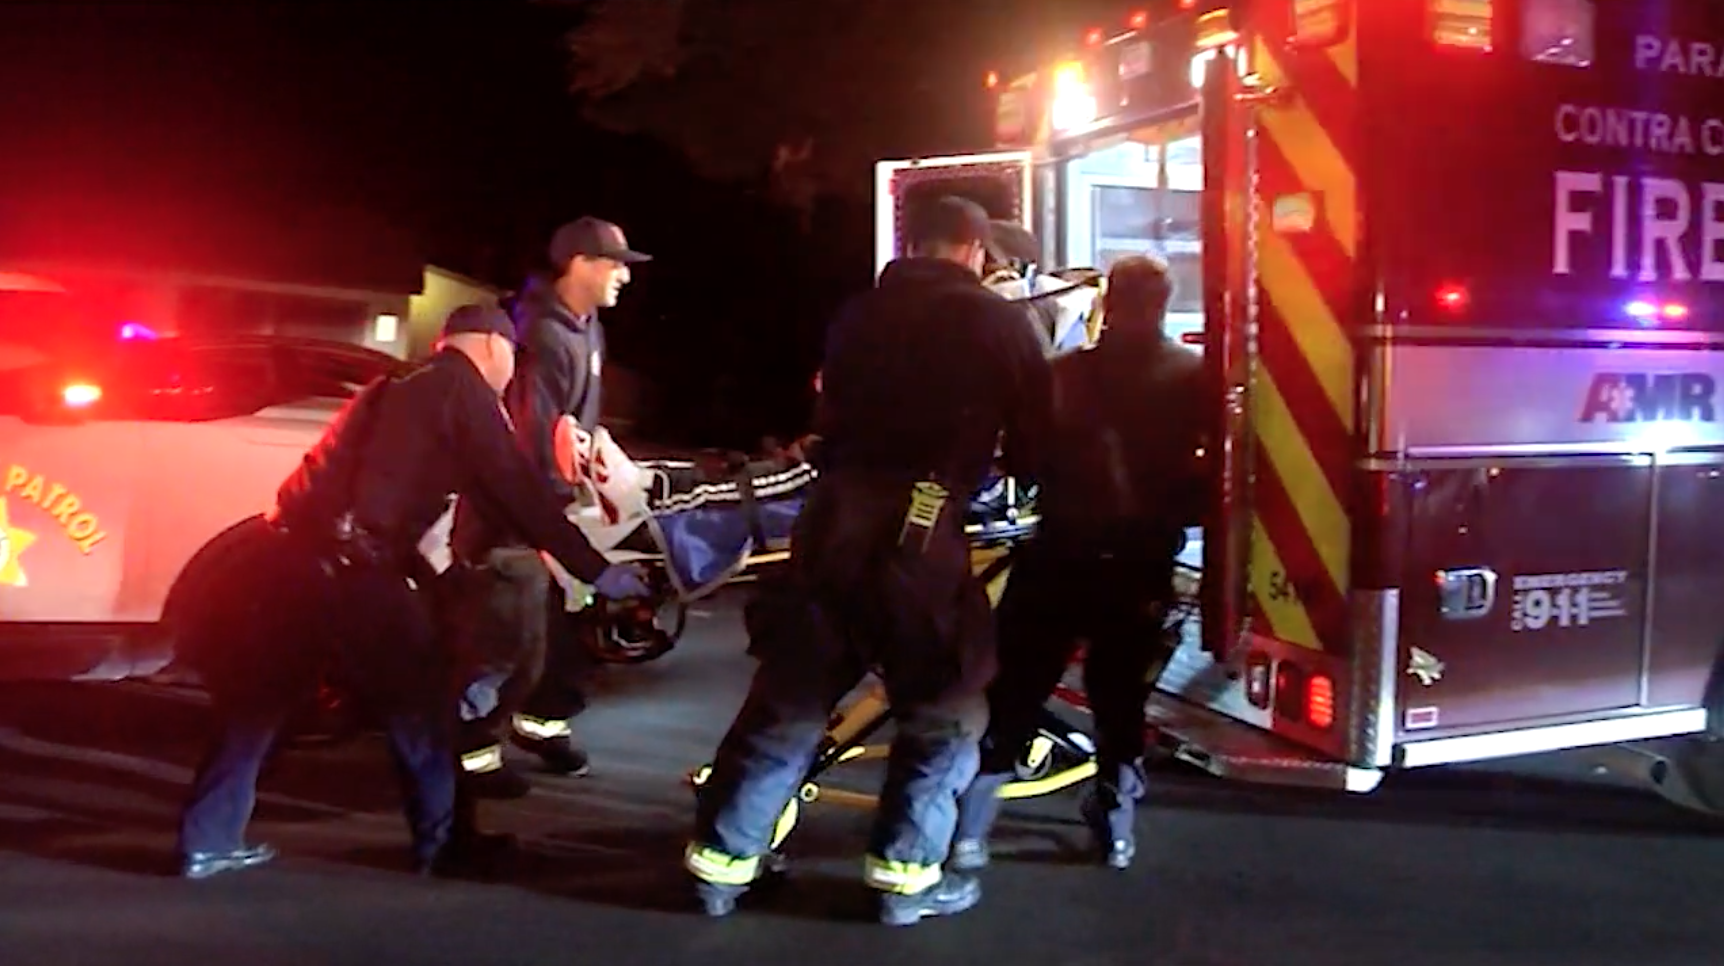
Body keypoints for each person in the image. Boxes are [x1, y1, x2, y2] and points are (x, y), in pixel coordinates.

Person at [175, 304, 651, 881]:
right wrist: (599, 571)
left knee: (259, 705)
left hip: (286, 555)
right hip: (355, 571)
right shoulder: (465, 392)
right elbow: (517, 494)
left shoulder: (389, 384)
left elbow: (374, 482)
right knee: (420, 711)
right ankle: (445, 845)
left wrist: (426, 576)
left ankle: (206, 840)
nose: (509, 376)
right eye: (510, 360)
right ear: (493, 347)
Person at [683, 196, 1053, 926]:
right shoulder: (998, 320)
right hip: (918, 525)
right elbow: (1039, 438)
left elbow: (835, 412)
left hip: (831, 522)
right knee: (946, 704)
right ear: (976, 251)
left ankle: (721, 870)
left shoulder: (857, 314)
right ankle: (904, 879)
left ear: (912, 245)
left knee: (793, 694)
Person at [949, 254, 1207, 872]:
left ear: (1107, 303)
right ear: (1163, 305)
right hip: (1140, 563)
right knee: (1121, 699)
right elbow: (1209, 476)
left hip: (1058, 554)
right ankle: (1115, 829)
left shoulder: (1058, 374)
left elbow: (1022, 463)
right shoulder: (1195, 376)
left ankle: (970, 831)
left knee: (1014, 692)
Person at [450, 216, 652, 782]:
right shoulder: (539, 333)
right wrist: (555, 524)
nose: (623, 277)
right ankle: (469, 755)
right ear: (579, 264)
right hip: (516, 518)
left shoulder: (584, 326)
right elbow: (530, 441)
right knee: (507, 641)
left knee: (563, 632)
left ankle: (542, 720)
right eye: (614, 264)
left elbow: (574, 425)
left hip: (557, 509)